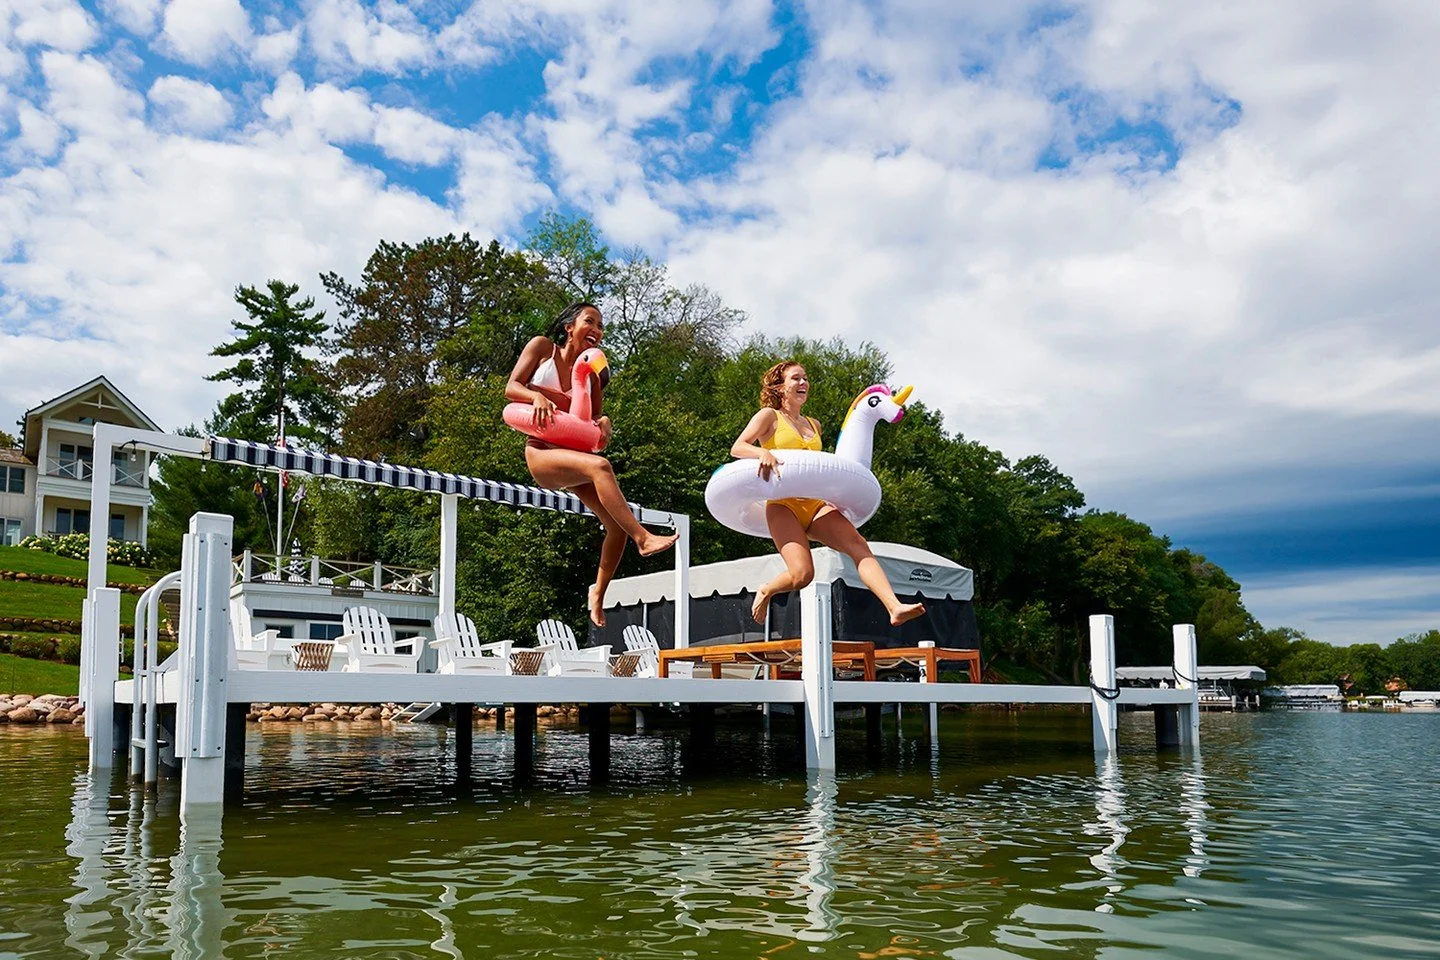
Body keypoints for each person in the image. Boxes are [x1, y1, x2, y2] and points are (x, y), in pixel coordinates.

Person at [506, 302, 677, 626]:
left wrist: (606, 422)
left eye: (601, 326)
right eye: (591, 321)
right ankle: (644, 538)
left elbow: (592, 424)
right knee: (601, 468)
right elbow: (511, 386)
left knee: (615, 526)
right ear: (570, 326)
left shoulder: (590, 376)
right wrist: (536, 396)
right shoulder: (542, 348)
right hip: (542, 453)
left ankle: (597, 594)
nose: (597, 330)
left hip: (573, 456)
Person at [729, 360, 927, 627]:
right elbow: (738, 447)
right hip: (783, 505)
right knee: (803, 575)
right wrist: (762, 452)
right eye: (795, 379)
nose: (803, 383)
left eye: (806, 378)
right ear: (779, 387)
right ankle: (767, 589)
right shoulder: (768, 416)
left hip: (814, 505)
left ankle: (894, 607)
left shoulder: (815, 424)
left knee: (859, 545)